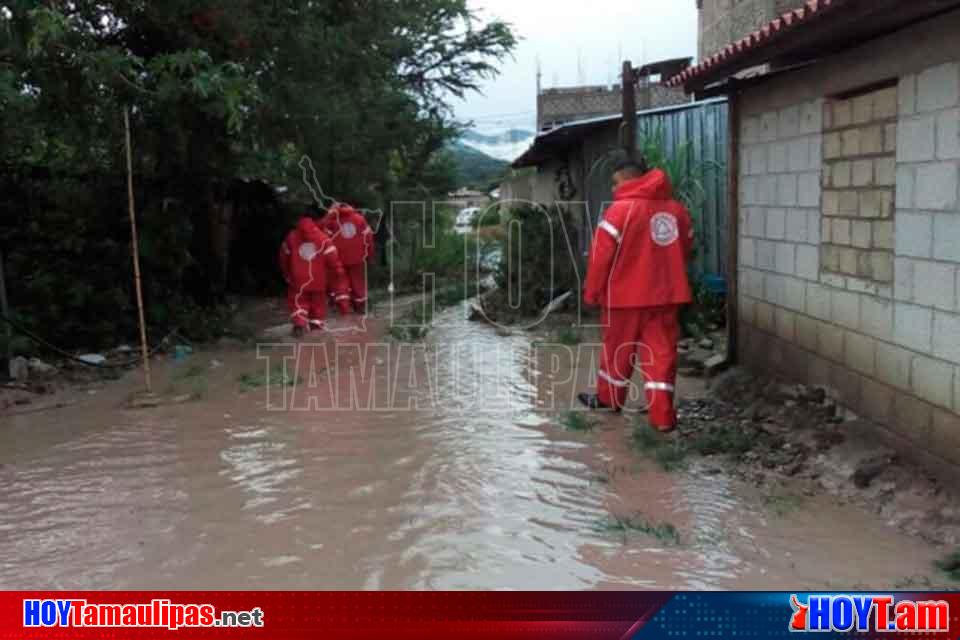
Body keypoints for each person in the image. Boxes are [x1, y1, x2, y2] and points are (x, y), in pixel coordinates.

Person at [578, 158, 694, 432]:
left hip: (623, 298)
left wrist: (592, 292)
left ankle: (609, 400)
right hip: (666, 296)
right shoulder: (676, 211)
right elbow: (686, 247)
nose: (614, 189)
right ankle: (663, 418)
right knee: (662, 354)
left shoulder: (619, 212)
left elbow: (600, 258)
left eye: (615, 183)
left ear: (627, 180)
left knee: (618, 351)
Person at [278, 214, 351, 338]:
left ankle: (299, 324)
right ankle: (316, 330)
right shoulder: (323, 238)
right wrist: (337, 275)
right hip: (318, 280)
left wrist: (287, 275)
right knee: (318, 307)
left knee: (298, 303)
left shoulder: (291, 237)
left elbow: (283, 258)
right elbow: (333, 261)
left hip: (298, 280)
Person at [322, 203, 375, 314]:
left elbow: (323, 236)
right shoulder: (359, 219)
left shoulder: (332, 222)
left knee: (341, 284)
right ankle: (361, 307)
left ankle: (344, 309)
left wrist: (329, 215)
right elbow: (369, 237)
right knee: (358, 283)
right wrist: (370, 255)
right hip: (358, 257)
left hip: (339, 258)